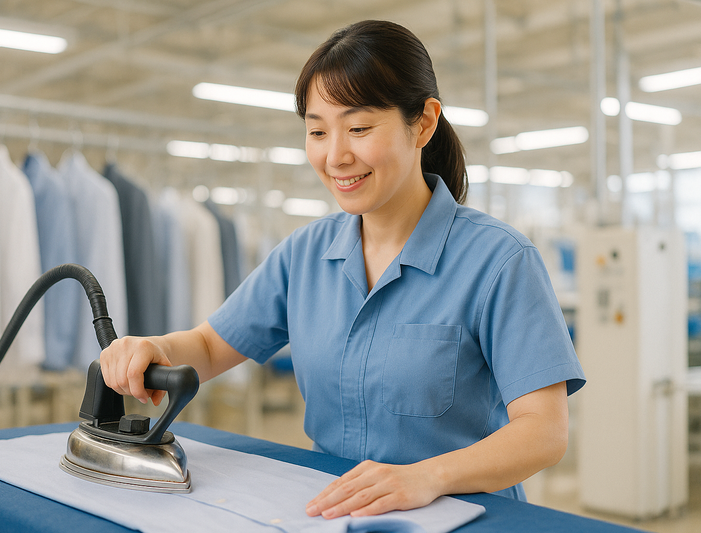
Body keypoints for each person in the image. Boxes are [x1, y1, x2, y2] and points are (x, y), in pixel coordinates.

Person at [101, 20, 585, 520]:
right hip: (336, 513)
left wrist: (427, 476)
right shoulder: (305, 254)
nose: (335, 156)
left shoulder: (499, 260)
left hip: (465, 516)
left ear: (423, 123)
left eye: (358, 128)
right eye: (317, 132)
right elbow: (207, 347)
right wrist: (154, 348)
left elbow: (543, 432)